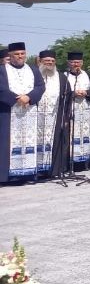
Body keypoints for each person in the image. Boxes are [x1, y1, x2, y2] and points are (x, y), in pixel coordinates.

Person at [0, 42, 45, 182]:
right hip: (8, 113)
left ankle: (28, 173)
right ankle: (7, 176)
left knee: (29, 141)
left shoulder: (33, 69)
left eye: (22, 53)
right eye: (16, 54)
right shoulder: (2, 69)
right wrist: (17, 99)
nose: (20, 56)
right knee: (6, 143)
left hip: (29, 112)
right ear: (10, 55)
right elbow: (1, 88)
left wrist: (29, 97)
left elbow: (40, 86)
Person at [35, 50, 71, 177]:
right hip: (36, 118)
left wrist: (66, 117)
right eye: (46, 61)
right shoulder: (33, 75)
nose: (49, 63)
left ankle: (54, 170)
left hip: (55, 117)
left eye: (52, 61)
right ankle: (36, 170)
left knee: (55, 142)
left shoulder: (62, 78)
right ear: (40, 61)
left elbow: (68, 99)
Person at [64, 51, 90, 170]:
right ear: (68, 63)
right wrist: (72, 93)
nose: (76, 64)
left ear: (82, 63)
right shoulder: (64, 76)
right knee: (69, 136)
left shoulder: (88, 75)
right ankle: (70, 164)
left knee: (89, 136)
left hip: (86, 110)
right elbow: (60, 92)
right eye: (73, 62)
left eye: (78, 62)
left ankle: (86, 163)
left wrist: (86, 92)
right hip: (71, 110)